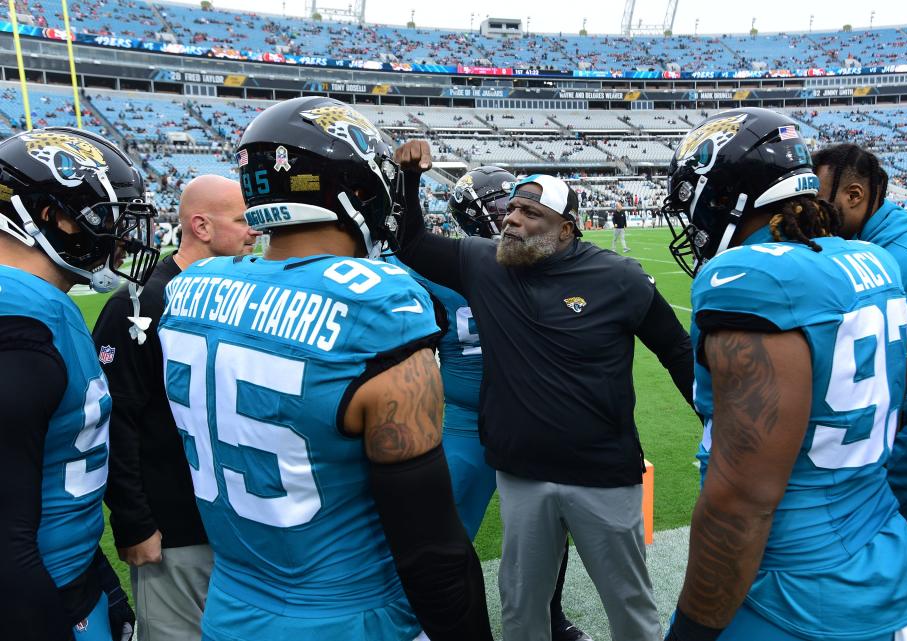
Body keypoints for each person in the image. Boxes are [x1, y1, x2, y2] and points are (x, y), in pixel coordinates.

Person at [158, 97, 492, 641]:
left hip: (229, 608)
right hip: (349, 614)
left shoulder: (193, 287)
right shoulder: (375, 309)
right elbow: (432, 549)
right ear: (359, 190)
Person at [394, 140, 695, 641]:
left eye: (529, 212)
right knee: (522, 607)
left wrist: (716, 422)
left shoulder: (617, 276)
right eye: (511, 208)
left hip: (602, 474)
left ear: (566, 228)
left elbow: (675, 350)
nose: (512, 219)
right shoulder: (483, 263)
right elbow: (410, 242)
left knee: (630, 607)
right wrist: (408, 177)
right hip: (521, 473)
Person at [660, 108, 907, 641]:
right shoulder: (874, 261)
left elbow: (742, 500)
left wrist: (689, 634)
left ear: (724, 197)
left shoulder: (754, 277)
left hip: (792, 599)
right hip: (891, 572)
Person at [399, 165, 591, 641]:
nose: (511, 216)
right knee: (445, 533)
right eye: (504, 206)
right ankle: (433, 624)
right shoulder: (445, 267)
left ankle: (549, 614)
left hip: (528, 415)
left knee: (546, 529)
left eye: (519, 206)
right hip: (464, 420)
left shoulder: (548, 261)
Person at [0, 127, 159, 639]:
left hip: (70, 574)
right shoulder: (18, 320)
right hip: (38, 597)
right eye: (106, 219)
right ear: (52, 217)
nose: (121, 236)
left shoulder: (40, 303)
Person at [92, 174, 261, 641]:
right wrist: (134, 521)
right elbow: (112, 420)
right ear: (202, 226)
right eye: (243, 220)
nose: (255, 231)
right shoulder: (139, 304)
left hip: (239, 525)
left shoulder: (237, 296)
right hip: (176, 529)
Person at [814, 143, 907, 641]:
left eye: (819, 196)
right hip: (879, 508)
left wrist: (858, 506)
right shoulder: (873, 258)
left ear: (854, 195)